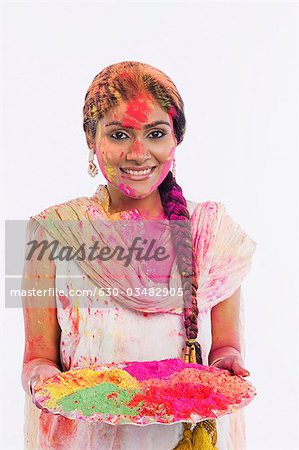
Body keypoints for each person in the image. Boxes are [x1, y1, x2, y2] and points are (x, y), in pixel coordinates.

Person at [21, 61, 257, 450]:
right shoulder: (50, 233)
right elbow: (37, 358)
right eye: (118, 134)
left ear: (175, 141)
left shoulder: (211, 235)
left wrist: (226, 363)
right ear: (91, 140)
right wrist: (41, 380)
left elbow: (225, 348)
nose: (137, 153)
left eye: (155, 134)